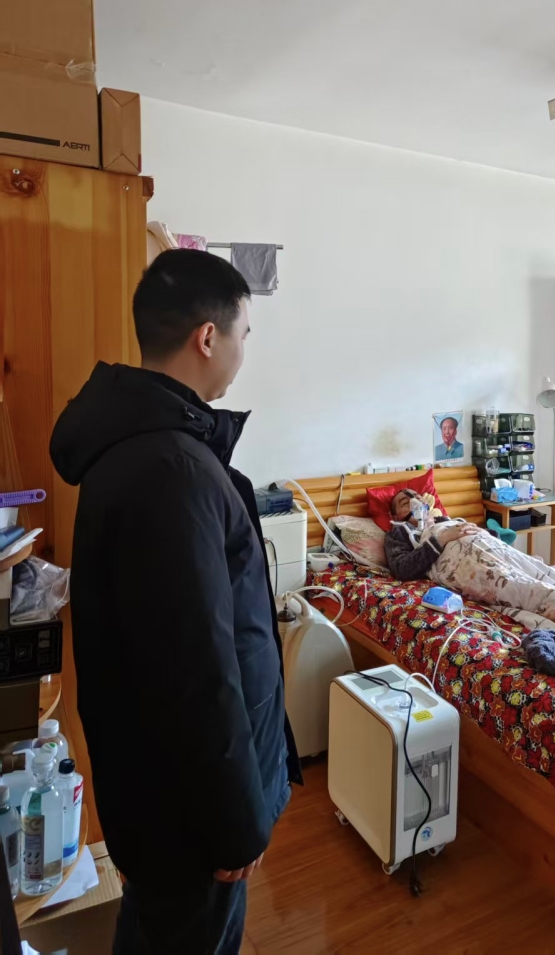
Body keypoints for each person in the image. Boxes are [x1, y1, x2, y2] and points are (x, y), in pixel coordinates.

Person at [49, 250, 301, 955]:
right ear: (208, 337)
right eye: (244, 333)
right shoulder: (172, 470)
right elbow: (197, 671)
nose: (244, 350)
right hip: (190, 815)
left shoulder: (148, 449)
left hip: (160, 795)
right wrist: (237, 823)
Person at [384, 490, 555, 641]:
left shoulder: (445, 519)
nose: (414, 502)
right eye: (405, 502)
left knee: (553, 576)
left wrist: (482, 532)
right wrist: (442, 538)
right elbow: (403, 569)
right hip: (465, 564)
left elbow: (491, 539)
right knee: (533, 590)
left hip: (491, 550)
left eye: (417, 497)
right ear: (396, 516)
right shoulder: (399, 532)